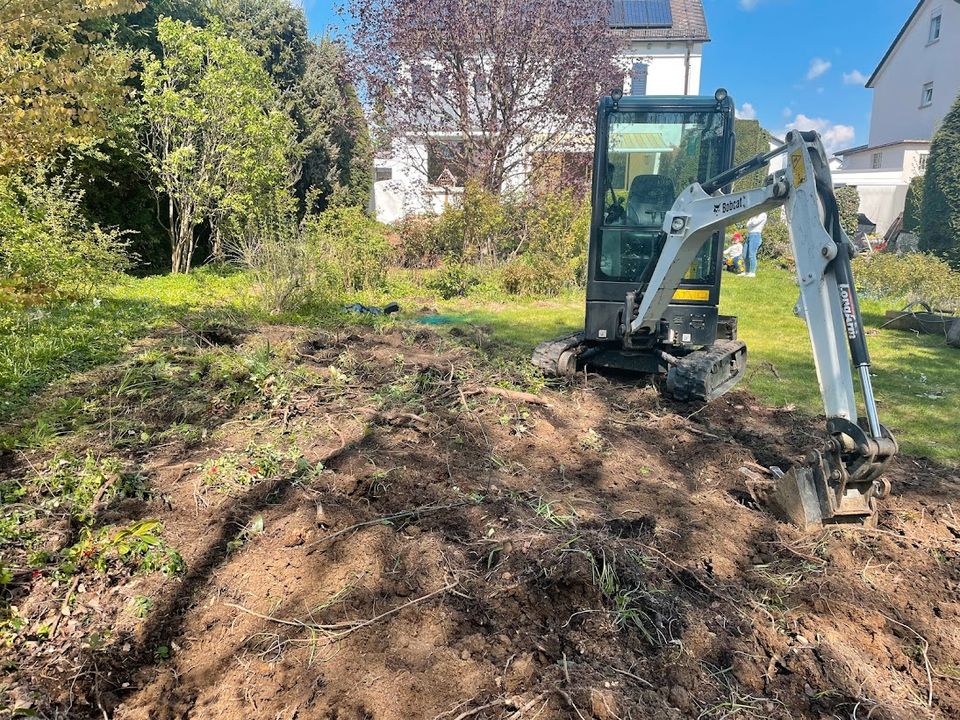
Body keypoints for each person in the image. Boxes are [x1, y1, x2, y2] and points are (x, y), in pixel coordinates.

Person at [744, 212, 767, 277]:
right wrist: (752, 218)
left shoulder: (763, 214)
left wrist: (753, 216)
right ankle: (747, 272)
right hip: (749, 235)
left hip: (755, 235)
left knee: (752, 254)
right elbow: (747, 225)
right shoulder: (753, 216)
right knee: (745, 255)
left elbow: (754, 223)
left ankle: (752, 272)